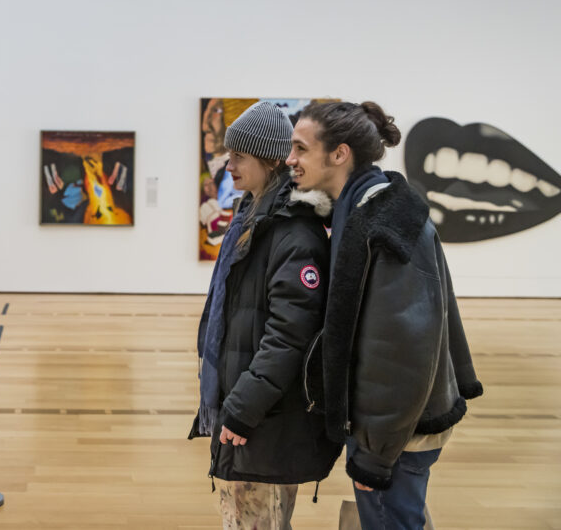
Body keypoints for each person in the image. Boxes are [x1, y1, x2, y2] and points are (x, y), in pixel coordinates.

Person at [287, 101, 483, 530]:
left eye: (300, 148)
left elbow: (398, 355)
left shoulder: (383, 226)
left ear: (339, 154)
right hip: (393, 428)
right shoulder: (365, 209)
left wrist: (375, 456)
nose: (290, 159)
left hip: (398, 436)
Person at [190, 102, 341, 530]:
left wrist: (241, 408)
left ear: (271, 159)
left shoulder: (293, 232)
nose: (228, 164)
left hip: (263, 419)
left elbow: (289, 337)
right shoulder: (251, 217)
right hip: (248, 411)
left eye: (239, 155)